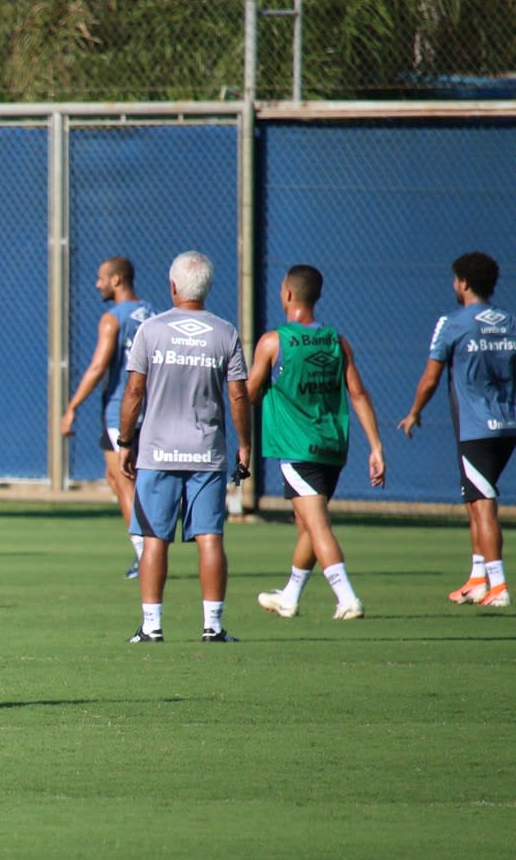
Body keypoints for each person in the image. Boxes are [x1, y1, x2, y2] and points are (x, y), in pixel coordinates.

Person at [117, 250, 250, 643]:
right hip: (207, 453)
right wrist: (244, 444)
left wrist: (126, 441)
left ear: (173, 286)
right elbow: (239, 396)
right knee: (210, 536)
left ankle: (152, 627)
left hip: (157, 451)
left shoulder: (151, 330)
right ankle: (213, 626)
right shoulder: (225, 332)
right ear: (207, 287)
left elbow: (134, 392)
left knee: (155, 538)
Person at [248, 265, 386, 620]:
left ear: (288, 294)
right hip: (332, 448)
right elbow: (357, 393)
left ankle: (347, 597)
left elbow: (249, 393)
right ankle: (290, 596)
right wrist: (376, 446)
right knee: (308, 524)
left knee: (317, 525)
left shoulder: (273, 341)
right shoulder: (336, 341)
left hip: (297, 450)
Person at [399, 251, 516, 608]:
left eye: (455, 279)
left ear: (463, 283)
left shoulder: (453, 323)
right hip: (507, 423)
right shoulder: (510, 321)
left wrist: (415, 411)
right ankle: (478, 578)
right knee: (474, 499)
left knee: (482, 505)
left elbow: (431, 376)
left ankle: (497, 585)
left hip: (476, 428)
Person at [61, 257, 152, 578]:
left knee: (125, 482)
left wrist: (72, 407)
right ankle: (148, 549)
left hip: (120, 411)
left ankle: (145, 555)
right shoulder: (153, 315)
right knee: (117, 477)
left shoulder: (113, 319)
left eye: (101, 279)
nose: (97, 284)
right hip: (151, 410)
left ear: (116, 280)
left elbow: (99, 366)